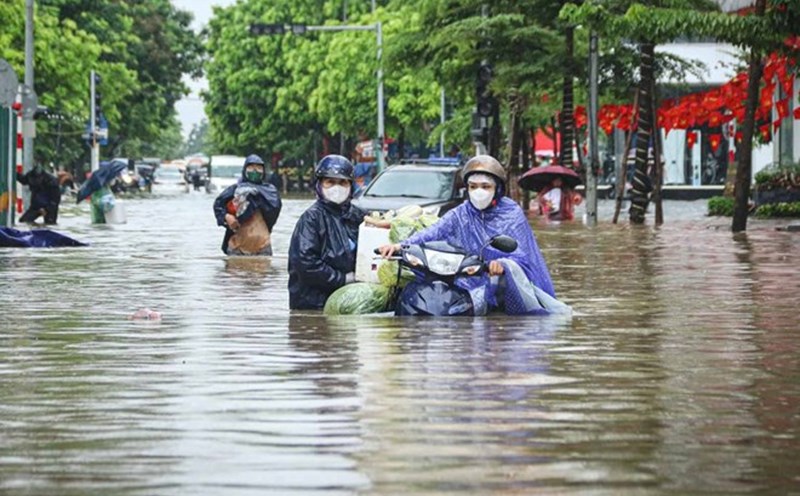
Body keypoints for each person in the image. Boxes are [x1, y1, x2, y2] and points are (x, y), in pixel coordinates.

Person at [378, 155, 569, 316]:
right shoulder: (461, 213)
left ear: (497, 189)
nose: (479, 192)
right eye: (473, 186)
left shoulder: (511, 213)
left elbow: (523, 255)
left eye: (485, 187)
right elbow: (434, 231)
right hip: (468, 279)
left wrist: (502, 265)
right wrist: (400, 246)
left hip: (503, 282)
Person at [288, 154, 367, 310]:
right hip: (313, 303)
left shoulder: (359, 216)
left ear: (351, 186)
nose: (336, 188)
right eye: (330, 182)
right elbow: (305, 262)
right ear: (319, 185)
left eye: (342, 182)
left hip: (350, 301)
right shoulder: (312, 219)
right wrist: (342, 279)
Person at [212, 154, 282, 256]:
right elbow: (218, 205)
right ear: (245, 169)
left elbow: (274, 211)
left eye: (258, 168)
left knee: (264, 270)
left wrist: (254, 199)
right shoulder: (235, 189)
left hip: (262, 245)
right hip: (237, 245)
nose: (255, 171)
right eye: (251, 167)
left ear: (263, 171)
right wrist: (226, 216)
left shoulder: (270, 191)